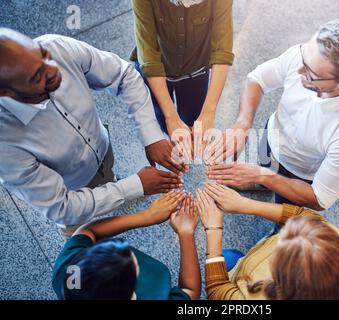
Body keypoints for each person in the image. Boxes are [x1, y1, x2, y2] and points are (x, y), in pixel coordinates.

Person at [0, 28, 185, 238]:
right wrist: (135, 186)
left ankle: (111, 184)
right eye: (37, 77)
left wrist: (151, 136)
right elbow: (63, 209)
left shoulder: (55, 46)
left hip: (103, 149)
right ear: (4, 92)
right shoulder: (5, 146)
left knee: (109, 178)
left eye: (44, 55)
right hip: (73, 191)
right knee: (86, 242)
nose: (53, 70)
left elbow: (124, 75)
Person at [205, 20, 339, 211]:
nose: (298, 71)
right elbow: (258, 79)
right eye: (304, 58)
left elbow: (319, 198)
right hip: (271, 138)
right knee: (265, 165)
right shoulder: (308, 57)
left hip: (300, 175)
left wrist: (261, 175)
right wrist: (243, 123)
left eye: (311, 74)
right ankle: (261, 185)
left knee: (285, 216)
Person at [196, 183, 339, 300]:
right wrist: (245, 205)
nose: (279, 235)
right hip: (247, 271)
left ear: (281, 277)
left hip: (239, 281)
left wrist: (213, 229)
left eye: (281, 243)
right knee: (230, 257)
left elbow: (218, 292)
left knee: (225, 259)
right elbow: (303, 216)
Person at [131, 0, 234, 161]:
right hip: (156, 74)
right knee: (160, 114)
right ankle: (169, 136)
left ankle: (187, 142)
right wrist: (171, 117)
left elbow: (222, 50)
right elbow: (149, 57)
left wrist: (208, 112)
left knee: (193, 115)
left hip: (196, 71)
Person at [52, 190, 201, 300]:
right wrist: (186, 233)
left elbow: (86, 231)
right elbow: (190, 291)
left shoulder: (67, 271)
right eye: (134, 266)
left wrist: (146, 217)